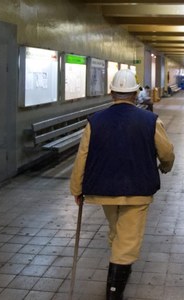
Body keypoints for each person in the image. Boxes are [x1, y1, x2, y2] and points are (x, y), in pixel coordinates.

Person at [70, 69, 175, 300]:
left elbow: (83, 156)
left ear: (111, 94)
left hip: (104, 190)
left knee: (118, 230)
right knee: (127, 239)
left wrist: (77, 189)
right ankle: (113, 292)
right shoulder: (150, 121)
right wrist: (165, 167)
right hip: (138, 189)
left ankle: (121, 270)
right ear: (136, 93)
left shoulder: (95, 122)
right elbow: (166, 152)